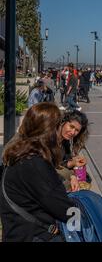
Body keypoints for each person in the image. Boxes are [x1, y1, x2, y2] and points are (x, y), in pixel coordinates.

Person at [0, 103, 75, 242]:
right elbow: (64, 209)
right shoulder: (35, 163)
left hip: (18, 230)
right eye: (58, 127)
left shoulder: (21, 153)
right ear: (50, 130)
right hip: (33, 235)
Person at [57, 110, 91, 192]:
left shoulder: (65, 141)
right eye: (71, 126)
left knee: (86, 177)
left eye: (77, 130)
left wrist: (74, 162)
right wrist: (71, 176)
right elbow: (49, 165)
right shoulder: (50, 139)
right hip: (46, 176)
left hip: (57, 171)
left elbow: (63, 161)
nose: (72, 132)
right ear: (63, 122)